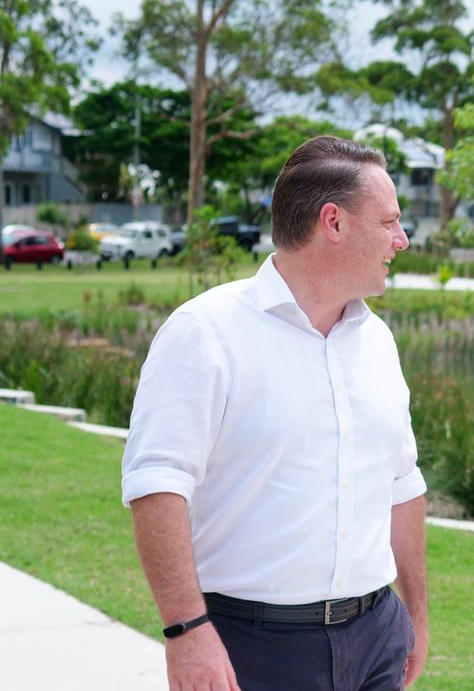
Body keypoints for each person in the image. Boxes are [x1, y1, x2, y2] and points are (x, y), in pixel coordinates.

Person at [121, 136, 428, 691]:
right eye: (389, 222)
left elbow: (403, 486)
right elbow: (156, 485)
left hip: (378, 636)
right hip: (252, 649)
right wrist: (187, 631)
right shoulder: (205, 333)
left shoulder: (378, 341)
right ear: (332, 222)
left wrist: (416, 618)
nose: (401, 240)